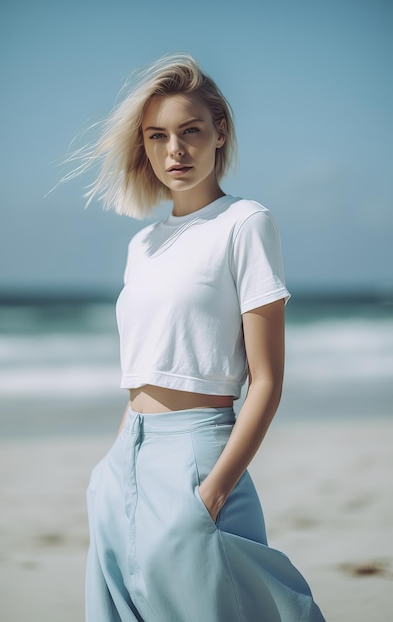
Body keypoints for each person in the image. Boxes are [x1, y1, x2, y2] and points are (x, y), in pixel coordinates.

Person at [77, 53, 325, 621]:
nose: (175, 151)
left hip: (197, 455)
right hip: (123, 463)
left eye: (190, 132)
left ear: (220, 132)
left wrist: (213, 491)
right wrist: (109, 468)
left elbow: (266, 380)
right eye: (158, 136)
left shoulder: (246, 224)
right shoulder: (142, 246)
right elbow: (143, 373)